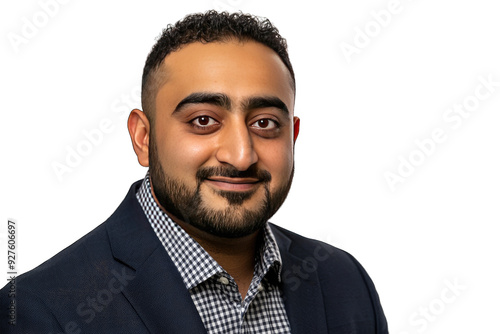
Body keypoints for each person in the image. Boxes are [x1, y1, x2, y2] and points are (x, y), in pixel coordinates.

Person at [1, 11, 388, 333]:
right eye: (204, 120)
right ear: (143, 137)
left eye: (266, 123)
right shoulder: (38, 313)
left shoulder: (346, 283)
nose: (241, 156)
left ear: (293, 136)